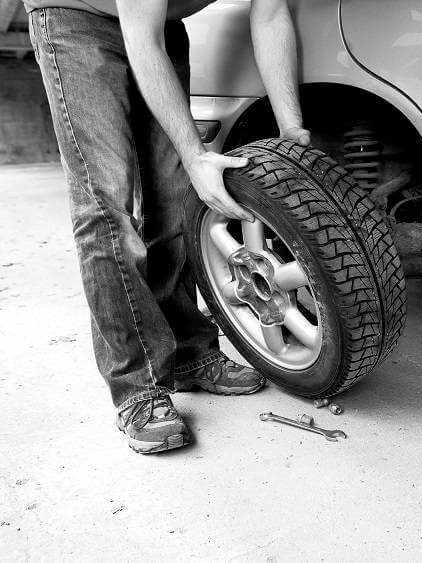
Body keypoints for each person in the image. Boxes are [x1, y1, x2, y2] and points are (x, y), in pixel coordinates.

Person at [24, 0, 311, 454]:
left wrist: (292, 127)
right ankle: (136, 386)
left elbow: (271, 14)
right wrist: (196, 154)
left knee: (177, 196)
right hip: (74, 21)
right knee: (107, 205)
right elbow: (143, 41)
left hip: (161, 25)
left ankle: (188, 352)